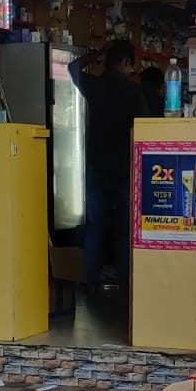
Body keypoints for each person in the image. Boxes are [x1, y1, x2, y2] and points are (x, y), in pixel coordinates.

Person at [69, 40, 148, 290]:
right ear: (126, 63)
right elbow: (146, 128)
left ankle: (90, 284)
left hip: (97, 168)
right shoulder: (133, 92)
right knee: (123, 232)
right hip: (125, 170)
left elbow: (71, 68)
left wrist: (94, 54)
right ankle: (125, 286)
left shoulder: (95, 86)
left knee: (95, 229)